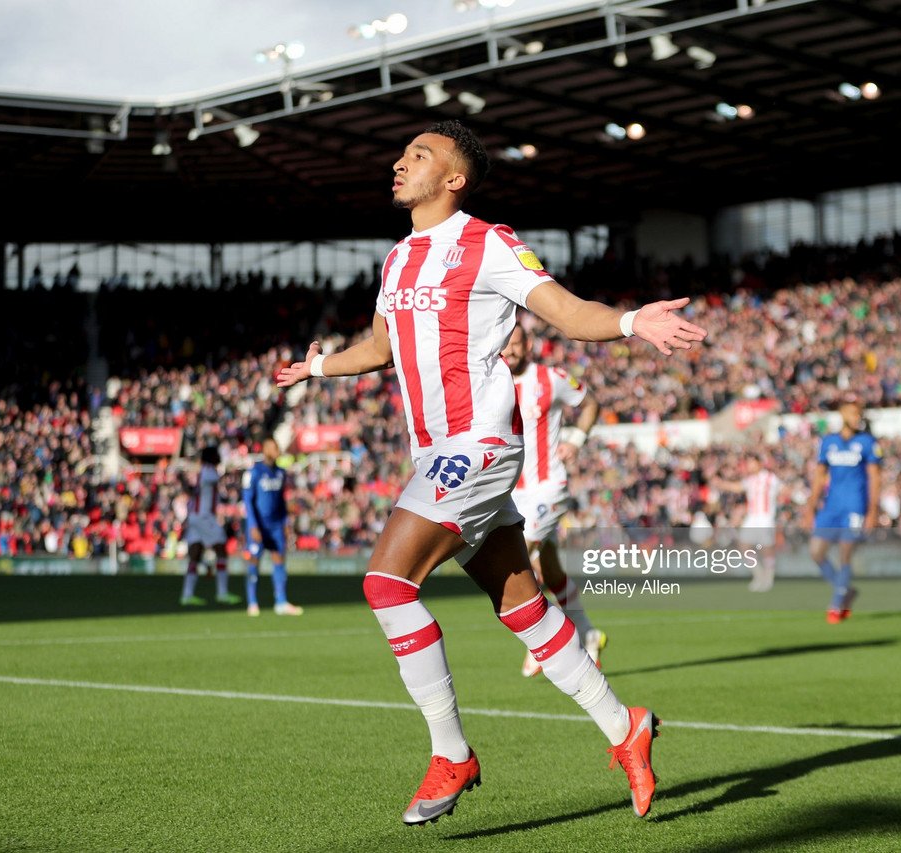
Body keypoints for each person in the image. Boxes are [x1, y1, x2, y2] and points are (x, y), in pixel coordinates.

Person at [276, 120, 707, 825]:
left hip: (474, 445)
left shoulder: (491, 242)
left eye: (419, 155)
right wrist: (316, 367)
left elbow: (566, 311)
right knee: (523, 607)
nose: (398, 161)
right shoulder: (395, 260)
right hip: (437, 453)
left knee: (386, 584)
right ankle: (624, 723)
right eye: (402, 151)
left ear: (454, 179)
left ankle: (452, 752)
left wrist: (630, 323)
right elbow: (382, 347)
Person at [500, 323, 606, 677]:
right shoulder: (490, 382)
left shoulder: (552, 378)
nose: (510, 351)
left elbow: (590, 403)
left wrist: (576, 439)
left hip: (549, 487)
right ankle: (589, 635)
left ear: (528, 345)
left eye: (516, 345)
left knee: (520, 556)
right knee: (551, 570)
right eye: (505, 345)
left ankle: (543, 643)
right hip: (510, 492)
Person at [802, 399, 880, 623]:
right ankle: (845, 589)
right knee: (816, 552)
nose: (858, 418)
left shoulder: (867, 442)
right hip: (831, 506)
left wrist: (872, 511)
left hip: (854, 507)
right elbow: (819, 477)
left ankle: (836, 604)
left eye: (860, 415)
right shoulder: (829, 442)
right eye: (855, 414)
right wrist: (810, 508)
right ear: (844, 415)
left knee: (845, 554)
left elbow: (875, 477)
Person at [241, 437, 303, 616]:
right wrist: (253, 525)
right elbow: (248, 501)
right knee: (254, 560)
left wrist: (285, 523)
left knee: (279, 560)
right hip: (259, 525)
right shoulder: (253, 472)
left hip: (276, 525)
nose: (276, 450)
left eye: (277, 447)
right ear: (264, 449)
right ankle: (252, 602)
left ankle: (281, 602)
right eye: (272, 447)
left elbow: (281, 501)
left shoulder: (280, 473)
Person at [179, 445, 240, 606]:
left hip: (194, 516)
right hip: (204, 517)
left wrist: (183, 481)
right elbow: (211, 481)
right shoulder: (209, 471)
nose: (219, 457)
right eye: (217, 455)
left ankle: (187, 594)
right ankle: (222, 592)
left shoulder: (202, 472)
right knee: (221, 549)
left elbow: (194, 491)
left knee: (195, 554)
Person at [715, 455, 781, 591]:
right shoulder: (750, 480)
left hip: (765, 517)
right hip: (752, 517)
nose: (749, 466)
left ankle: (769, 578)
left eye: (752, 463)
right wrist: (721, 483)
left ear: (759, 464)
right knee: (744, 545)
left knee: (766, 549)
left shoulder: (770, 478)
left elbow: (784, 490)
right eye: (748, 463)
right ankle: (758, 574)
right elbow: (737, 487)